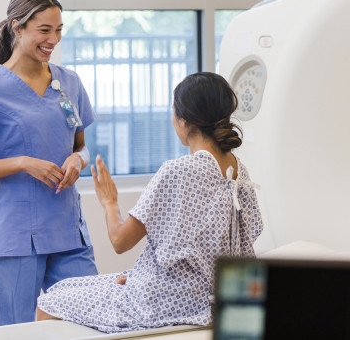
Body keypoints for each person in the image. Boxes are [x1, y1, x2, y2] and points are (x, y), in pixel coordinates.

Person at [36, 72, 264, 332]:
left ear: (183, 120)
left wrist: (109, 203)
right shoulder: (238, 172)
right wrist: (136, 277)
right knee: (74, 285)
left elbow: (120, 241)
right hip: (214, 299)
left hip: (163, 302)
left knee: (50, 301)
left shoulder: (178, 171)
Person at [0, 0, 98, 326]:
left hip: (69, 230)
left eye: (59, 30)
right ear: (17, 28)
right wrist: (23, 162)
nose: (53, 39)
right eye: (45, 30)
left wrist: (78, 162)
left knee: (91, 323)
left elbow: (82, 146)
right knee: (16, 333)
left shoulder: (69, 83)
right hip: (17, 237)